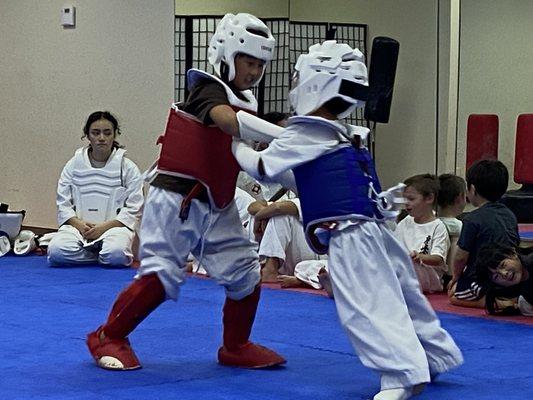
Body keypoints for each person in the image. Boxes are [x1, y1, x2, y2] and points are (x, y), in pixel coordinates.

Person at [232, 40, 463, 400]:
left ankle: (402, 375)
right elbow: (307, 182)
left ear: (313, 84)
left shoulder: (309, 131)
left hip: (351, 236)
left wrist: (232, 140)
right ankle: (433, 357)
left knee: (365, 308)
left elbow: (261, 166)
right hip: (376, 231)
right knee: (404, 299)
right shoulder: (344, 134)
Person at [86, 13, 285, 371]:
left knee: (245, 274)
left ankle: (235, 345)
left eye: (260, 64)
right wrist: (283, 135)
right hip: (176, 198)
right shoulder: (208, 89)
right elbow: (225, 120)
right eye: (248, 62)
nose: (254, 71)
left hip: (218, 202)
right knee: (161, 276)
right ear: (226, 54)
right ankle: (107, 336)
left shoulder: (248, 101)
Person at [47, 111, 143, 267]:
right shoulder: (73, 165)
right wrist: (78, 224)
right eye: (95, 133)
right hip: (78, 228)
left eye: (107, 133)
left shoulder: (127, 167)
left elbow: (135, 207)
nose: (102, 138)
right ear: (87, 135)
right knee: (56, 252)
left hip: (114, 228)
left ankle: (106, 253)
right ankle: (98, 256)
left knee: (116, 254)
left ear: (115, 135)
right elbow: (63, 203)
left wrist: (104, 227)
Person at [448, 159, 519, 308]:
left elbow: (461, 256)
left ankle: (491, 302)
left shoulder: (472, 219)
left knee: (453, 295)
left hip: (484, 279)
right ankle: (503, 296)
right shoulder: (510, 215)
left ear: (472, 189)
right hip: (509, 279)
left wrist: (456, 277)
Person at [394, 174, 450, 293]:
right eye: (405, 199)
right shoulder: (404, 223)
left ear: (429, 198)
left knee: (410, 264)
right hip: (407, 270)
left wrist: (420, 257)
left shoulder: (438, 227)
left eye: (411, 199)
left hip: (428, 277)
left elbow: (438, 259)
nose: (406, 203)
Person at [475, 242, 533, 316]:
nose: (504, 273)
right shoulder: (519, 291)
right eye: (496, 276)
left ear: (513, 254)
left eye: (503, 265)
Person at [437, 173, 467, 281]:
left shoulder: (432, 222)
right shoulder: (458, 226)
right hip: (450, 275)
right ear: (461, 197)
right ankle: (451, 275)